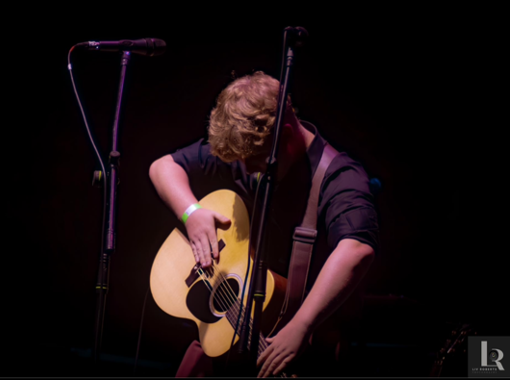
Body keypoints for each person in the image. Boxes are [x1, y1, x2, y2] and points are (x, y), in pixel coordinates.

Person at [149, 71, 379, 377]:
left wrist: (301, 325)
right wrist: (191, 213)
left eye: (253, 160)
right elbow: (163, 166)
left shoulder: (341, 180)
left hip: (303, 349)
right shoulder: (251, 150)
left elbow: (356, 249)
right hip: (230, 337)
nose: (245, 168)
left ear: (284, 138)